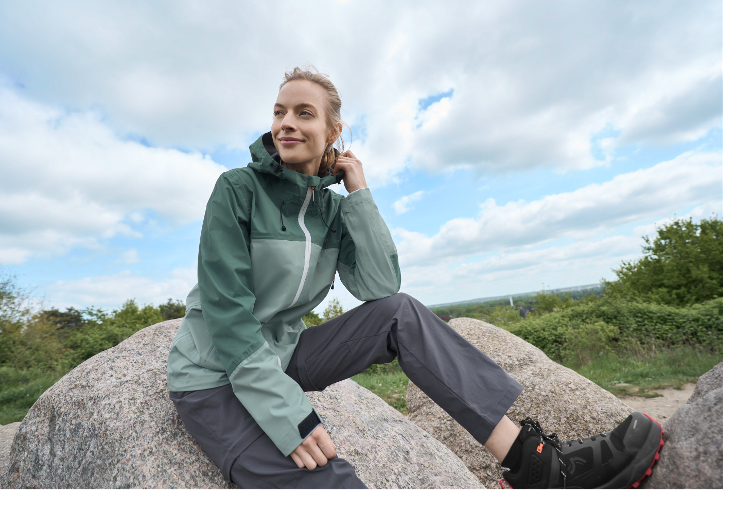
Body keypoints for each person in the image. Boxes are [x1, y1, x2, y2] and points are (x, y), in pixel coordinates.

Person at [166, 66, 664, 490]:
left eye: (303, 113)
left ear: (333, 132)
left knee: (399, 313)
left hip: (285, 356)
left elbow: (381, 287)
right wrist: (286, 414)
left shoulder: (334, 211)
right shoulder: (237, 189)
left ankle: (534, 466)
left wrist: (358, 194)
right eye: (279, 112)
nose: (285, 124)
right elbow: (228, 314)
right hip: (214, 379)